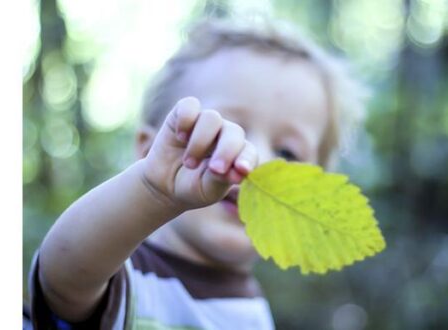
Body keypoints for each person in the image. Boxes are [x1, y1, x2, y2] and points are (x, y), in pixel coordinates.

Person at [27, 18, 368, 330]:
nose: (256, 159)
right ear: (150, 153)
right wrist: (152, 189)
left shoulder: (253, 311)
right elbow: (62, 276)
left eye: (287, 153)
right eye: (225, 130)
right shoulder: (124, 273)